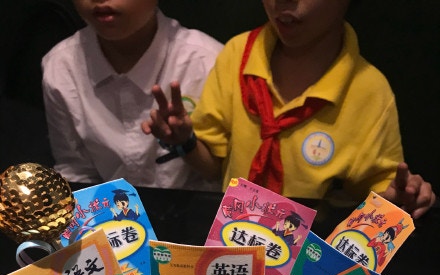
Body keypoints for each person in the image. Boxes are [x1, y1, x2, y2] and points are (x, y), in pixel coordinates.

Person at [142, 0, 436, 221]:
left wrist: (401, 197)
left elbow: (378, 191)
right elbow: (214, 165)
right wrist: (185, 141)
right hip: (232, 241)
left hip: (310, 257)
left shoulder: (369, 90)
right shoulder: (237, 55)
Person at [42, 0, 223, 191]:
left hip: (195, 206)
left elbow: (223, 174)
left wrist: (186, 143)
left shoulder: (209, 63)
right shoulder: (61, 66)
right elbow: (76, 170)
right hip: (108, 206)